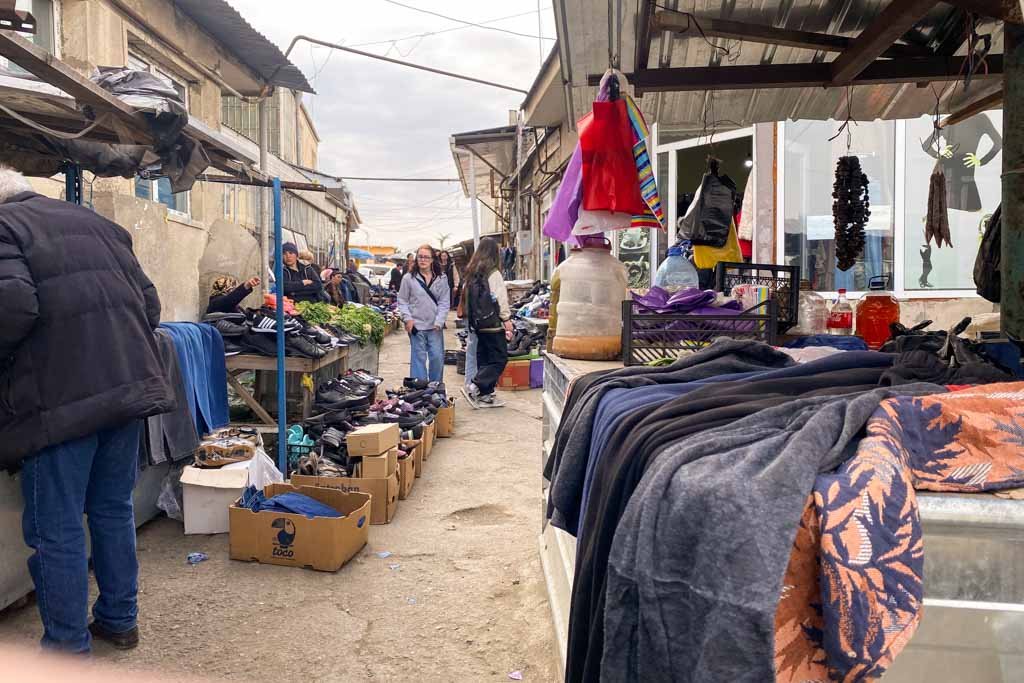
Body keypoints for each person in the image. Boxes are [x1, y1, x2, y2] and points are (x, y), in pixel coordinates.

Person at [0, 166, 174, 653]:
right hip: (125, 393)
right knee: (111, 510)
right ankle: (119, 620)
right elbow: (150, 307)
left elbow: (12, 308)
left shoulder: (4, 228)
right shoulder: (98, 223)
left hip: (58, 404)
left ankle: (66, 648)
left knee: (55, 530)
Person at [461, 237, 512, 408]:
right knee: (499, 359)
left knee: (485, 358)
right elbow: (501, 299)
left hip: (477, 323)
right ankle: (476, 385)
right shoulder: (493, 273)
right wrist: (507, 320)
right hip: (492, 323)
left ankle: (486, 394)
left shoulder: (472, 271)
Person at [397, 244, 450, 382]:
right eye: (420, 257)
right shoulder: (408, 278)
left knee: (437, 359)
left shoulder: (441, 278)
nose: (423, 260)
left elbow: (444, 302)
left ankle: (435, 390)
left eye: (426, 257)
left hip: (434, 326)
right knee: (418, 360)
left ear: (432, 259)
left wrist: (440, 321)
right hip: (416, 326)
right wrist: (407, 319)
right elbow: (402, 300)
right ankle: (419, 393)